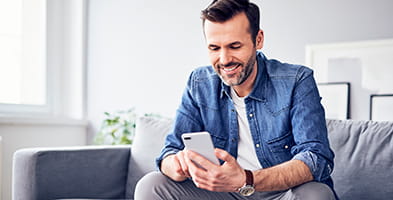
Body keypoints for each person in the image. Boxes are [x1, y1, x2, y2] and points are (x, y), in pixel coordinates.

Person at [135, 0, 336, 199]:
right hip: (224, 193)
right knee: (151, 185)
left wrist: (246, 179)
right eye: (214, 48)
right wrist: (178, 166)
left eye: (234, 46)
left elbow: (316, 158)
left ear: (258, 40)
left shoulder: (297, 80)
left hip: (282, 193)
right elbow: (170, 152)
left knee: (316, 194)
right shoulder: (199, 83)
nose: (224, 59)